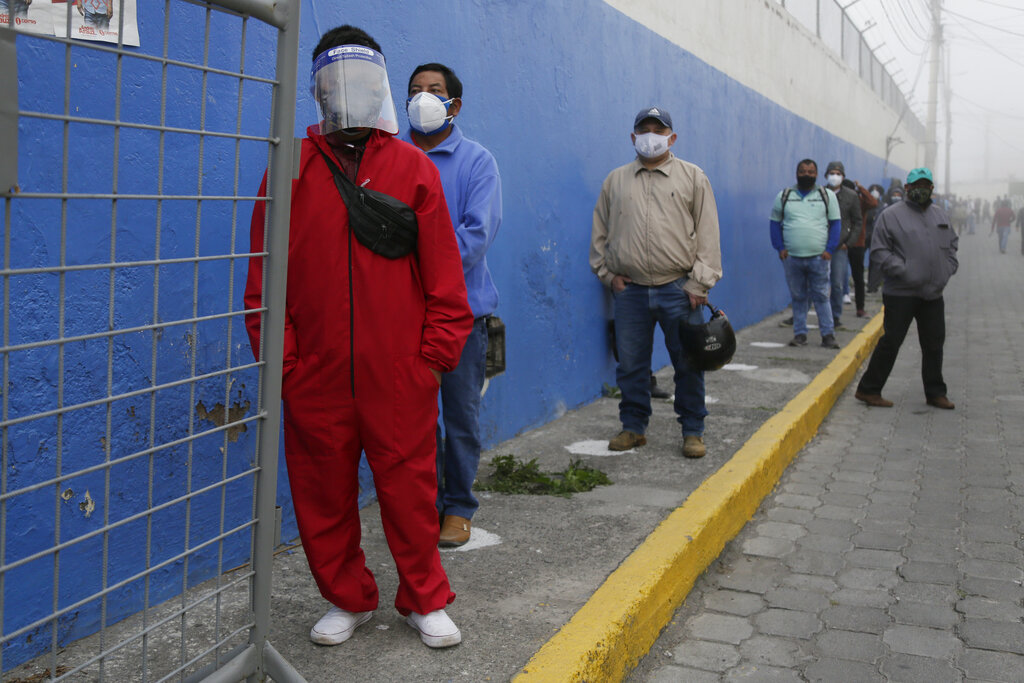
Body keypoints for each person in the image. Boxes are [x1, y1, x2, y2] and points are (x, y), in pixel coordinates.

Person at [244, 25, 473, 649]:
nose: (351, 94)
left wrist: (430, 362)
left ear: (380, 88)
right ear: (318, 90)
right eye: (337, 83)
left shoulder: (413, 168)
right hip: (314, 373)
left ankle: (423, 598)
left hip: (398, 374)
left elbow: (446, 286)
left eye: (363, 82)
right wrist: (286, 365)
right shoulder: (289, 166)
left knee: (409, 491)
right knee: (321, 494)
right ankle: (347, 597)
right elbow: (265, 282)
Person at [400, 62, 502, 548]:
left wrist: (415, 270)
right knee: (410, 420)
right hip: (401, 316)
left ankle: (458, 508)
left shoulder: (477, 162)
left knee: (459, 417)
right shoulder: (390, 157)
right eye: (416, 90)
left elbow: (475, 236)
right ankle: (419, 506)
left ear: (454, 105)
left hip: (462, 314)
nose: (424, 97)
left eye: (434, 91)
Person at [591, 106, 722, 459]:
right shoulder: (615, 180)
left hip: (678, 290)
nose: (651, 136)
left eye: (658, 130)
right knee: (631, 364)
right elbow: (600, 234)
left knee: (688, 363)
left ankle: (692, 430)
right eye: (644, 130)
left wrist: (700, 283)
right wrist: (608, 276)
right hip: (630, 291)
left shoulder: (693, 177)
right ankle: (633, 426)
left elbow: (708, 235)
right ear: (634, 137)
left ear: (671, 137)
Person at [855, 167, 957, 410]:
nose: (920, 189)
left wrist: (947, 269)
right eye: (915, 185)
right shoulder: (890, 216)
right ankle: (868, 390)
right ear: (907, 188)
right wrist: (907, 271)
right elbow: (880, 253)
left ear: (932, 188)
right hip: (901, 293)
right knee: (891, 341)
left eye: (925, 185)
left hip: (933, 293)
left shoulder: (940, 215)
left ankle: (935, 393)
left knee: (934, 344)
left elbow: (952, 245)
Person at [770, 159, 841, 349]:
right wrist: (780, 248)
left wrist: (829, 250)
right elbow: (774, 223)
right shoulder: (784, 196)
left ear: (817, 175)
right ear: (796, 173)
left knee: (821, 297)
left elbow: (835, 224)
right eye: (802, 171)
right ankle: (800, 335)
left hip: (819, 258)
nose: (806, 174)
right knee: (798, 297)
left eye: (810, 171)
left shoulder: (827, 196)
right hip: (792, 258)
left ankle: (828, 335)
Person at [822, 162, 862, 328]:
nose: (834, 176)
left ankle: (835, 316)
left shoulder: (851, 196)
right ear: (826, 175)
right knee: (814, 284)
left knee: (837, 284)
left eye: (838, 173)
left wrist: (849, 242)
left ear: (843, 176)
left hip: (839, 247)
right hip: (819, 246)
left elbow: (857, 222)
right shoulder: (819, 193)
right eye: (831, 173)